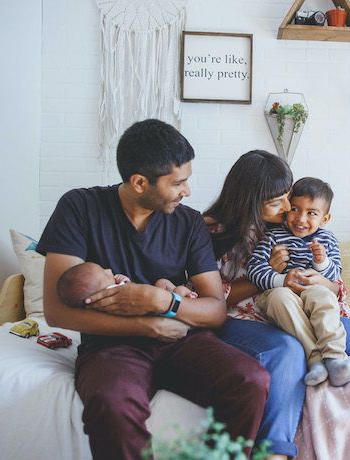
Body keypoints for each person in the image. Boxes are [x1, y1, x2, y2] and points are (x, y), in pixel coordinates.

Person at [37, 119, 270, 460]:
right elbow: (56, 310)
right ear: (140, 182)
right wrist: (145, 325)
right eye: (178, 183)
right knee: (111, 402)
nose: (187, 191)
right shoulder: (79, 208)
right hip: (111, 347)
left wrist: (163, 301)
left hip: (182, 339)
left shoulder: (188, 222)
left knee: (251, 380)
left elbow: (215, 309)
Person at [203, 150, 350, 459]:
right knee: (288, 349)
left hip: (296, 307)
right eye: (279, 201)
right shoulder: (212, 231)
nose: (289, 208)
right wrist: (272, 275)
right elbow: (210, 296)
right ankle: (274, 450)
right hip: (245, 317)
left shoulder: (291, 224)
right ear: (251, 198)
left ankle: (316, 353)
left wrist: (321, 280)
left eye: (286, 196)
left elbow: (334, 284)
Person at [247, 177, 350, 387]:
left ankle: (334, 359)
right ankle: (315, 360)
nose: (301, 219)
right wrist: (281, 279)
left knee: (323, 295)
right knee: (280, 298)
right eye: (295, 209)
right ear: (287, 207)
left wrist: (321, 262)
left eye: (311, 213)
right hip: (280, 292)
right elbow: (255, 269)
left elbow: (335, 275)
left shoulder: (327, 239)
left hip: (312, 291)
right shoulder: (273, 236)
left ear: (325, 219)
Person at [56, 261, 195, 309]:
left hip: (153, 296)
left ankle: (182, 296)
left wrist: (124, 280)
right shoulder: (110, 296)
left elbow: (131, 288)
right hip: (156, 307)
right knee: (179, 290)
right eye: (105, 274)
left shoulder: (112, 289)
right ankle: (185, 295)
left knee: (162, 283)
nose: (109, 270)